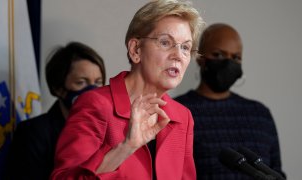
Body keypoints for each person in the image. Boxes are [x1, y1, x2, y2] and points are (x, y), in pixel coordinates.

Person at [50, 0, 204, 179]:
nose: (178, 55)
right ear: (135, 50)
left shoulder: (182, 117)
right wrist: (127, 146)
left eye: (185, 47)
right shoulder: (96, 105)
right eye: (165, 42)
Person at [175, 23, 286, 179]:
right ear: (200, 58)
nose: (228, 63)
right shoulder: (177, 111)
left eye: (236, 57)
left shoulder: (260, 115)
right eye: (218, 55)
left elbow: (276, 171)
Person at [4, 42, 106, 180]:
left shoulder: (110, 131)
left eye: (98, 82)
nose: (93, 91)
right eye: (81, 82)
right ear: (58, 88)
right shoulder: (33, 133)